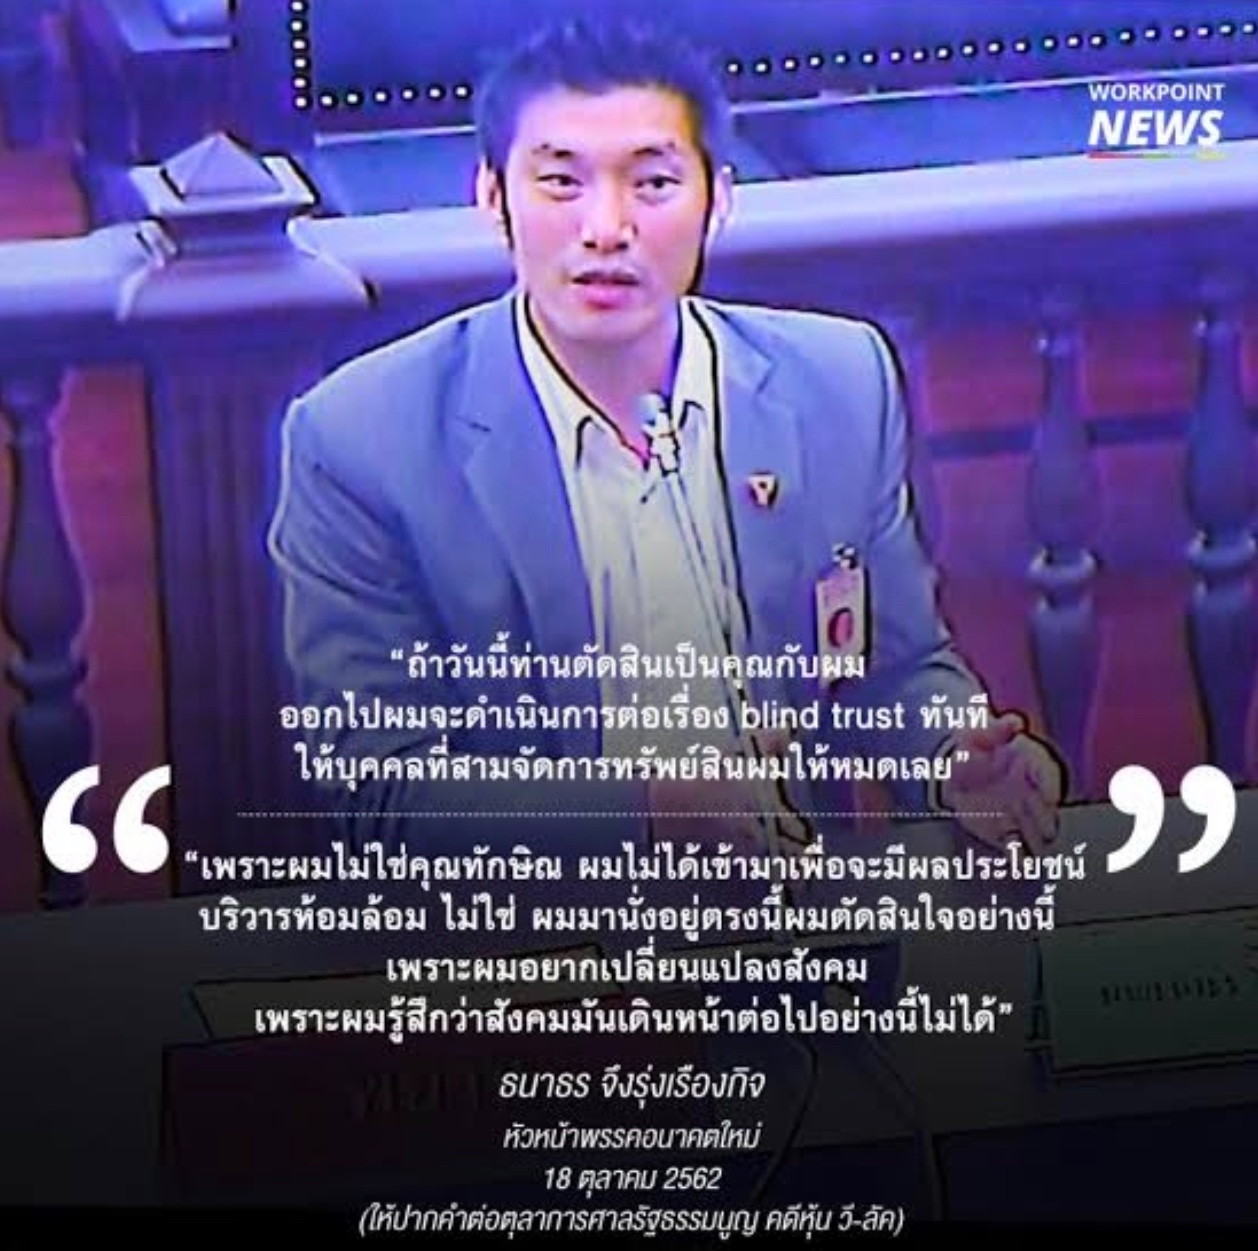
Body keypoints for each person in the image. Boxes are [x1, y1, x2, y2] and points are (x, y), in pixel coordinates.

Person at [267, 16, 1063, 862]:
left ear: (718, 200)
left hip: (795, 916)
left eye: (652, 183)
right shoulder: (362, 438)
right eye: (562, 183)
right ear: (492, 198)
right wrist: (646, 813)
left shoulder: (836, 383)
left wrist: (954, 758)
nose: (607, 227)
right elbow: (378, 790)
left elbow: (896, 668)